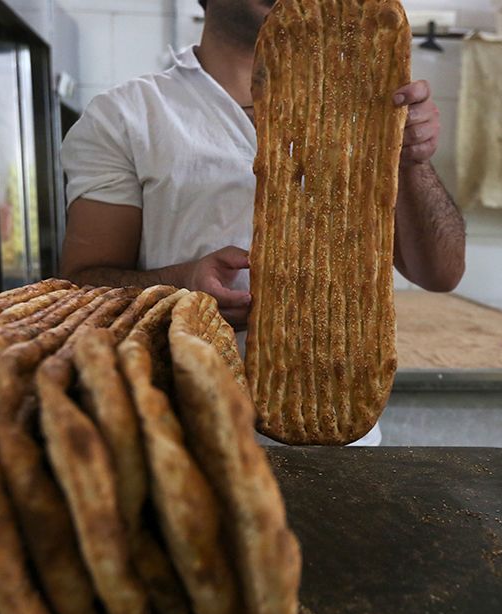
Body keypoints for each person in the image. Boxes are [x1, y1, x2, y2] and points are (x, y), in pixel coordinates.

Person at [59, 0, 466, 444]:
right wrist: (184, 283)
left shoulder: (361, 105)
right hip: (181, 442)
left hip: (336, 432)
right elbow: (82, 288)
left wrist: (412, 161)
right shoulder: (128, 115)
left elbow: (441, 272)